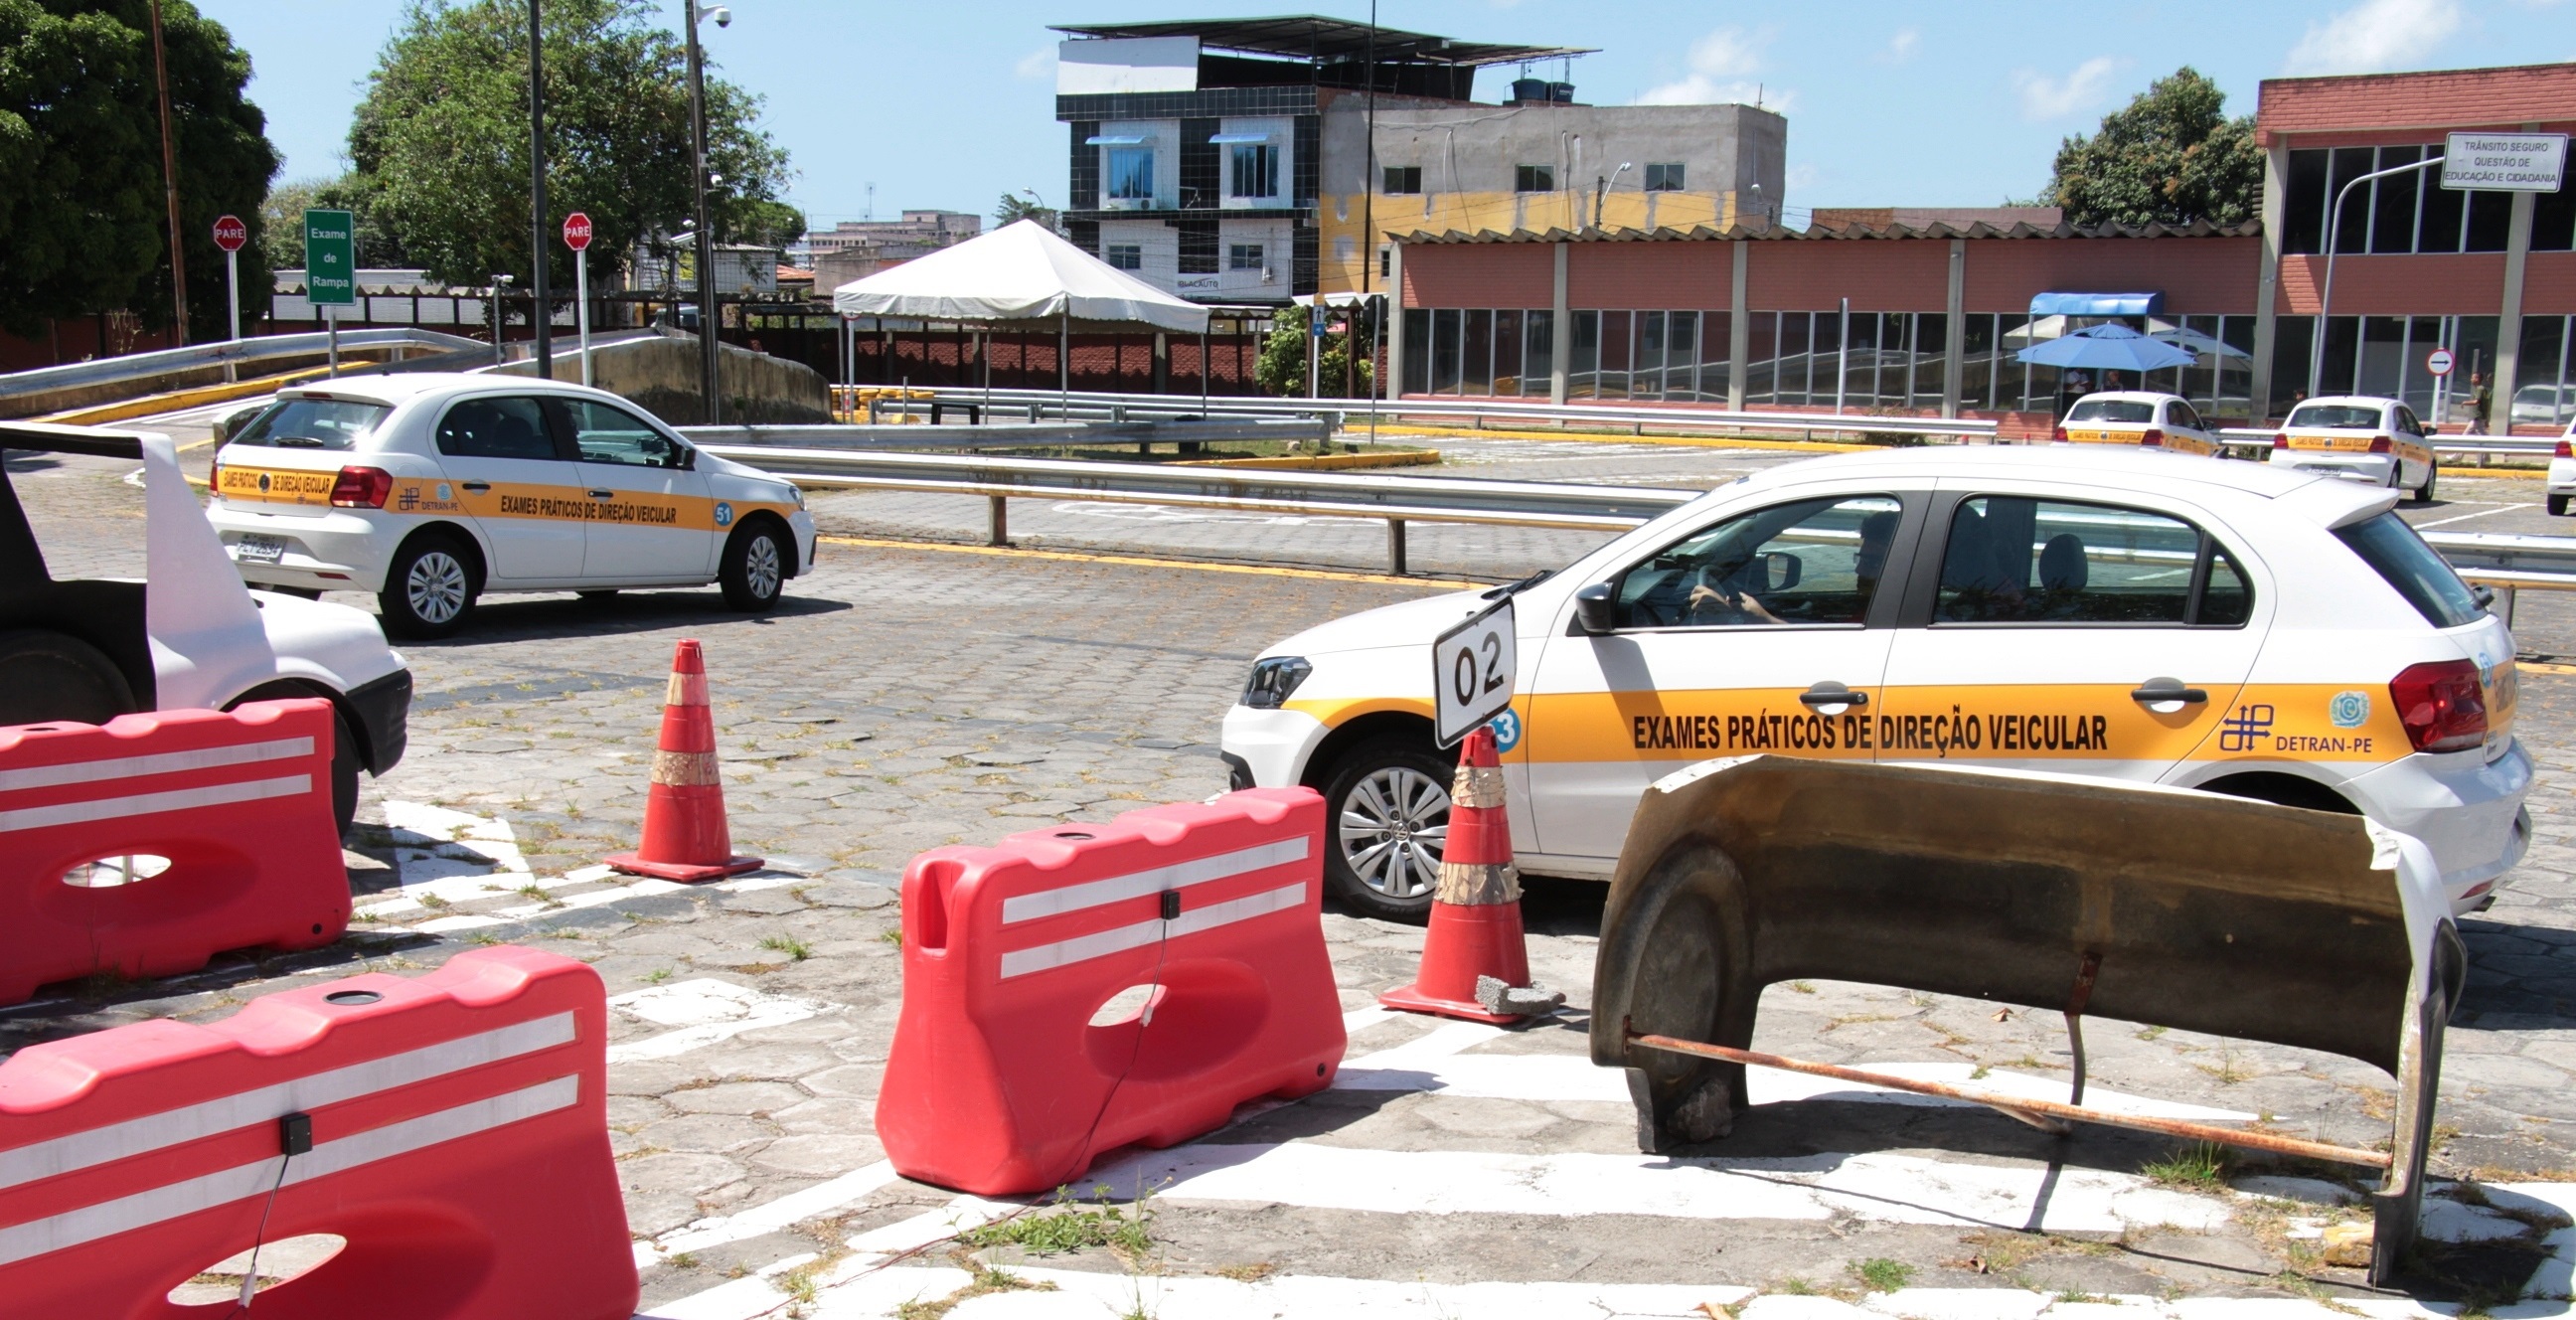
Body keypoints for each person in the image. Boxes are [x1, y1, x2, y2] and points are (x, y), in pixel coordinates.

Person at [2468, 371, 2493, 435]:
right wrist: (2486, 419)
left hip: (2478, 417)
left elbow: (2476, 401)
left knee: (2467, 435)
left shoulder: (2480, 389)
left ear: (2477, 379)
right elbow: (2486, 404)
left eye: (2472, 378)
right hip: (2478, 418)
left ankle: (2490, 444)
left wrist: (2464, 403)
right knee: (2473, 433)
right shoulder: (2480, 389)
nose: (2471, 379)